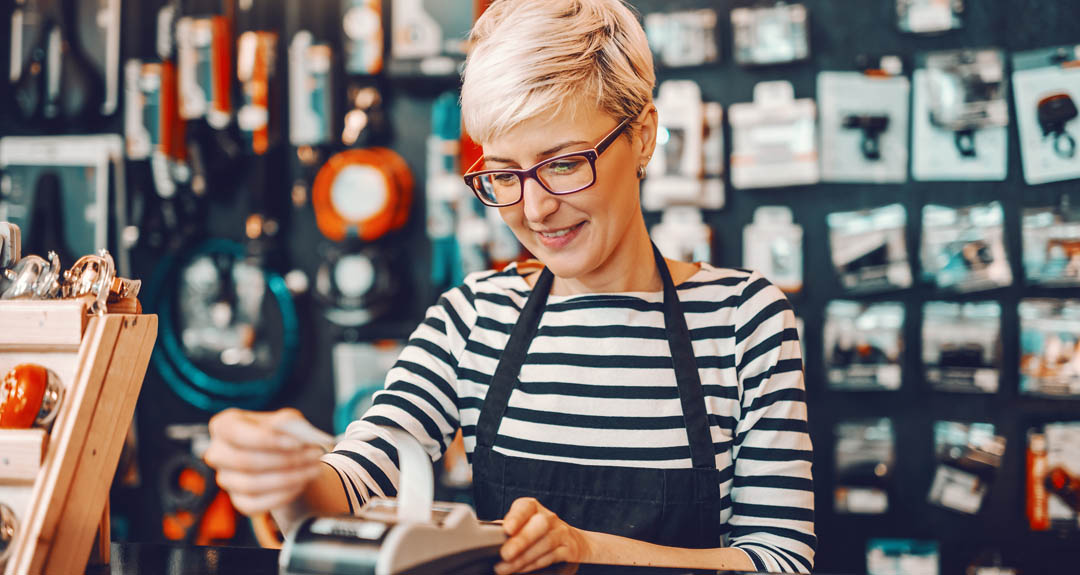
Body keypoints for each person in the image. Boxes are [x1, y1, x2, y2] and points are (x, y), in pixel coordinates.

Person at [203, 1, 816, 573]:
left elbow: (780, 560)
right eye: (503, 174)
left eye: (564, 164)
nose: (535, 209)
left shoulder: (743, 320)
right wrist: (286, 480)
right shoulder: (473, 317)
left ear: (644, 136)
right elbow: (359, 479)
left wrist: (584, 549)